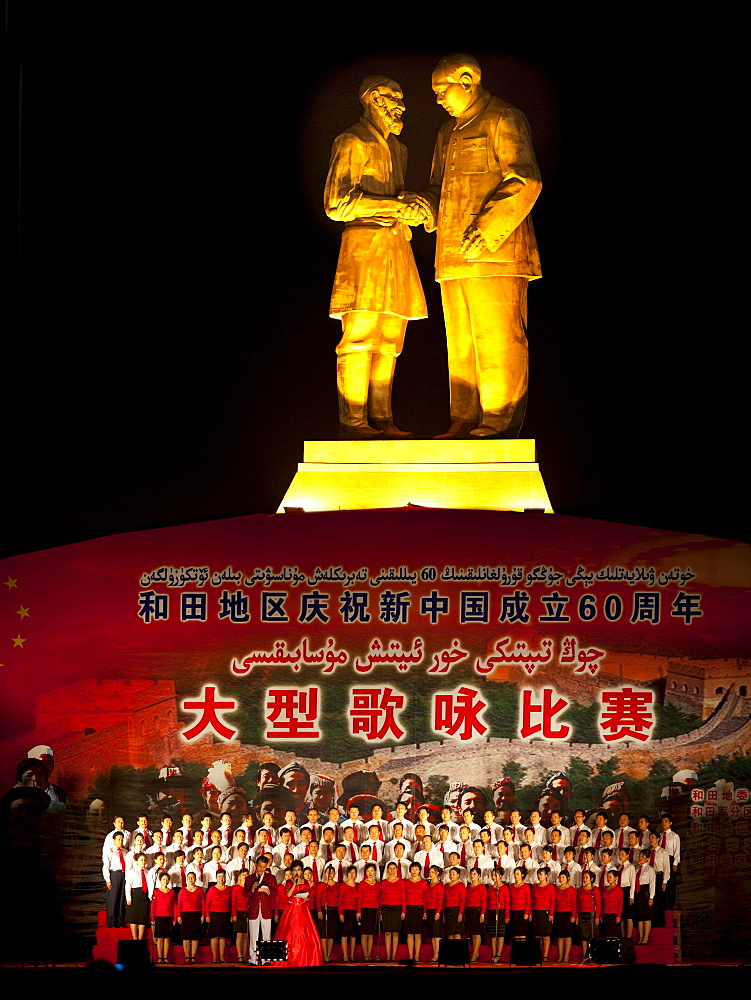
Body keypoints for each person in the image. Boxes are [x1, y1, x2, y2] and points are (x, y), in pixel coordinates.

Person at [423, 53, 541, 440]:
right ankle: (465, 417)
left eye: (443, 89)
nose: (439, 98)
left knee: (497, 339)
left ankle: (498, 419)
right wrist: (421, 209)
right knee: (460, 343)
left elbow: (525, 179)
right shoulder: (447, 133)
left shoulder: (504, 118)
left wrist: (488, 228)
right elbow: (438, 189)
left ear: (468, 79)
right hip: (453, 255)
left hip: (496, 253)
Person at [325, 76, 428, 440]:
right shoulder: (352, 140)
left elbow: (397, 199)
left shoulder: (397, 148)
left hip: (396, 247)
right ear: (372, 99)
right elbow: (337, 204)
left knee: (390, 336)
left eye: (401, 98)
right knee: (360, 334)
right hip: (364, 248)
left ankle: (382, 419)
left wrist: (413, 209)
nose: (401, 106)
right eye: (393, 98)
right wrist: (393, 205)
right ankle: (353, 422)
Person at [275, 861, 323, 966]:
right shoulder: (288, 881)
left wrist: (307, 897)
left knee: (304, 933)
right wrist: (294, 884)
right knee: (289, 933)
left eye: (299, 870)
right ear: (292, 871)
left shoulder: (305, 882)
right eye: (295, 870)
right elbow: (288, 894)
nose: (297, 872)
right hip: (291, 909)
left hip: (303, 909)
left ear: (301, 871)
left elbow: (309, 897)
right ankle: (290, 959)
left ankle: (304, 959)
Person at [245, 854, 277, 966]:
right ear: (255, 865)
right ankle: (253, 959)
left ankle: (266, 959)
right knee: (253, 936)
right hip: (253, 910)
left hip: (266, 910)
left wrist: (268, 891)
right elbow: (245, 894)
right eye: (259, 866)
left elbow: (275, 893)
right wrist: (252, 889)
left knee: (266, 936)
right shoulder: (249, 878)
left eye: (263, 867)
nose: (261, 869)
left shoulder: (271, 878)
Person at [204, 869, 232, 964]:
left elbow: (231, 903)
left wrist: (232, 915)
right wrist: (207, 915)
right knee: (214, 937)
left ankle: (222, 957)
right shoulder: (212, 889)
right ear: (216, 878)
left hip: (225, 914)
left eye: (223, 876)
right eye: (219, 876)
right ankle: (214, 958)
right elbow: (207, 903)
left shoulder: (229, 889)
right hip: (214, 914)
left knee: (223, 936)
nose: (221, 878)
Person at [176, 869, 203, 964]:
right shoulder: (183, 890)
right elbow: (179, 904)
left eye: (193, 878)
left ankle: (193, 956)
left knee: (195, 936)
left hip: (196, 914)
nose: (191, 879)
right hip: (185, 914)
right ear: (186, 879)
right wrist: (179, 916)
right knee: (186, 936)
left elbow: (203, 903)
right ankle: (187, 956)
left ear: (195, 879)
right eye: (189, 878)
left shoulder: (199, 890)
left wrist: (203, 915)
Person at [380, 860, 406, 960]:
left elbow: (403, 897)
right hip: (386, 907)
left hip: (397, 908)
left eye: (393, 868)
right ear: (387, 870)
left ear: (397, 870)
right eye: (390, 868)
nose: (392, 870)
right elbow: (381, 897)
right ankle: (387, 955)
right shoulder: (384, 882)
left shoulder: (401, 882)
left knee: (395, 932)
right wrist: (380, 911)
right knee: (387, 932)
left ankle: (394, 955)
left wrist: (403, 911)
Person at [356, 862, 381, 961]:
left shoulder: (378, 884)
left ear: (375, 872)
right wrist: (358, 911)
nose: (370, 873)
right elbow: (359, 898)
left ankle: (369, 954)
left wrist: (380, 912)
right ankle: (365, 954)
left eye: (372, 871)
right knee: (364, 933)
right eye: (368, 871)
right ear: (365, 872)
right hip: (364, 910)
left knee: (371, 934)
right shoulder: (362, 884)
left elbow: (380, 899)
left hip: (374, 910)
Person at [631, 849, 656, 945]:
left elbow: (652, 884)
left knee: (646, 917)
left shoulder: (650, 869)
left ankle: (646, 937)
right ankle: (641, 938)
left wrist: (651, 897)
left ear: (648, 858)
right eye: (640, 856)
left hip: (645, 893)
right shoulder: (636, 868)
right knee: (640, 917)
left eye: (643, 856)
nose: (640, 858)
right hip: (638, 893)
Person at [531, 865, 555, 962]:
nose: (539, 876)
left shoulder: (550, 887)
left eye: (541, 874)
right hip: (536, 912)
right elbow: (532, 901)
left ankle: (545, 956)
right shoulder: (535, 886)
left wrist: (551, 914)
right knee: (537, 935)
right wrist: (530, 913)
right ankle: (538, 954)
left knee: (545, 935)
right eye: (538, 874)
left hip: (546, 913)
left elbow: (553, 901)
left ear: (546, 876)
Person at [151, 870, 176, 964]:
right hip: (159, 916)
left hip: (169, 917)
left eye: (167, 879)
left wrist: (174, 917)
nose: (165, 881)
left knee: (167, 938)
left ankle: (165, 957)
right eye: (163, 879)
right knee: (160, 938)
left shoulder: (172, 892)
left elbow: (174, 905)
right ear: (160, 881)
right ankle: (160, 957)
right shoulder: (156, 891)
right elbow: (153, 905)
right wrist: (152, 918)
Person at [124, 852, 150, 941]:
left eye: (145, 860)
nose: (143, 862)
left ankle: (140, 938)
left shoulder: (147, 872)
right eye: (141, 860)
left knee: (143, 917)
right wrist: (128, 898)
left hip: (144, 895)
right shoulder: (132, 872)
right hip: (135, 894)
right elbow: (128, 885)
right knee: (134, 917)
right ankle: (135, 938)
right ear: (136, 861)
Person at [576, 869, 601, 961]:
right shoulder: (580, 890)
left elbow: (598, 904)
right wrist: (577, 916)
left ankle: (591, 956)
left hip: (591, 915)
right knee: (583, 936)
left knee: (591, 936)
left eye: (586, 877)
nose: (584, 879)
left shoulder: (595, 890)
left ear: (591, 879)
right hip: (582, 915)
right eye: (583, 877)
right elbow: (577, 904)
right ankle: (584, 956)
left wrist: (597, 916)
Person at [553, 870, 577, 964]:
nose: (561, 879)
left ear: (568, 878)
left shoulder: (571, 889)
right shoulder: (556, 889)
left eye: (563, 877)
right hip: (559, 913)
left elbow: (574, 903)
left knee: (567, 936)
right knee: (560, 936)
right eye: (560, 877)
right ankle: (560, 955)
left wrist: (574, 915)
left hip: (568, 913)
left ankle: (566, 955)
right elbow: (554, 903)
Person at [316, 865, 340, 962]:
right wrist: (319, 911)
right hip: (323, 910)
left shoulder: (337, 885)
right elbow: (318, 899)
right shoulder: (322, 885)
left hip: (333, 911)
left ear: (334, 874)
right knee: (323, 934)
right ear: (324, 874)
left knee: (331, 934)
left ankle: (328, 954)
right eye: (328, 873)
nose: (329, 874)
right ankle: (324, 954)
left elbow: (339, 899)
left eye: (331, 873)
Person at [404, 861, 426, 962]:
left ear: (420, 871)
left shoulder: (423, 883)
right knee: (409, 933)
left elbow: (426, 898)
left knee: (417, 934)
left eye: (416, 869)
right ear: (409, 870)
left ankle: (417, 955)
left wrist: (425, 911)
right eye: (412, 869)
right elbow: (403, 898)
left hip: (419, 908)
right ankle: (410, 955)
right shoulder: (406, 882)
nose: (414, 871)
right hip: (409, 908)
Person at [487, 866, 510, 963]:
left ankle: (499, 954)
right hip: (492, 911)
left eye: (495, 875)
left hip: (501, 911)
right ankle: (493, 954)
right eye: (492, 875)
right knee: (493, 934)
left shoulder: (504, 888)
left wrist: (507, 915)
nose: (493, 877)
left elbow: (507, 902)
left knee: (500, 934)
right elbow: (488, 901)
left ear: (500, 876)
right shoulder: (490, 888)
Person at [465, 866, 487, 962]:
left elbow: (484, 901)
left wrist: (482, 914)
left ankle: (474, 954)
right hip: (469, 910)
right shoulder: (468, 887)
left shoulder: (481, 887)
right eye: (471, 874)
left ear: (479, 876)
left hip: (477, 911)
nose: (472, 876)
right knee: (472, 934)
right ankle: (476, 953)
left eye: (474, 874)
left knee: (477, 933)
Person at [337, 866, 359, 962]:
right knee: (344, 934)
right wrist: (341, 913)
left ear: (356, 874)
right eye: (350, 873)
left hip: (355, 912)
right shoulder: (343, 886)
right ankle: (345, 955)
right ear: (347, 874)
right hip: (345, 911)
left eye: (353, 872)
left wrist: (358, 912)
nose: (351, 875)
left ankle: (352, 955)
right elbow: (340, 900)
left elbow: (359, 900)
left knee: (353, 934)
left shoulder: (358, 886)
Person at [232, 868, 251, 964]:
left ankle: (244, 955)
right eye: (243, 875)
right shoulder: (236, 887)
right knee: (239, 935)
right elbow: (234, 901)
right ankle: (239, 955)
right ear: (239, 876)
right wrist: (234, 914)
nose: (245, 877)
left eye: (247, 875)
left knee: (246, 935)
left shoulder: (250, 887)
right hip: (239, 912)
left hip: (248, 912)